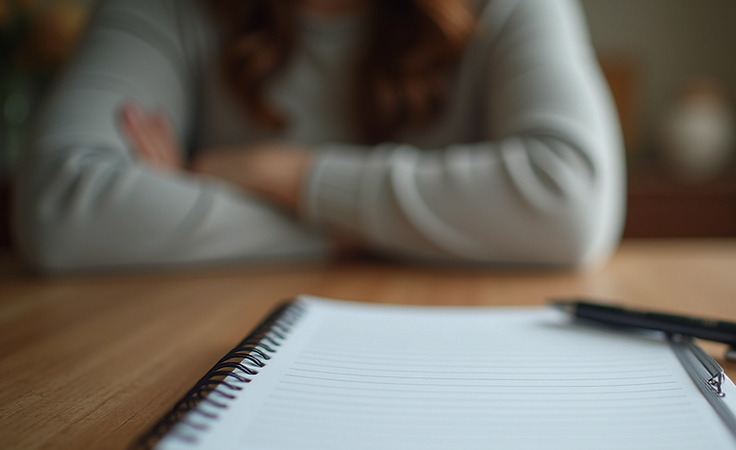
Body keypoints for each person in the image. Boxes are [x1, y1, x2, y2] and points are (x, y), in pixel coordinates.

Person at [13, 0, 624, 271]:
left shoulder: (507, 6)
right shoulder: (160, 9)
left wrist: (278, 174)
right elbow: (60, 208)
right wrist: (345, 230)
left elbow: (570, 202)